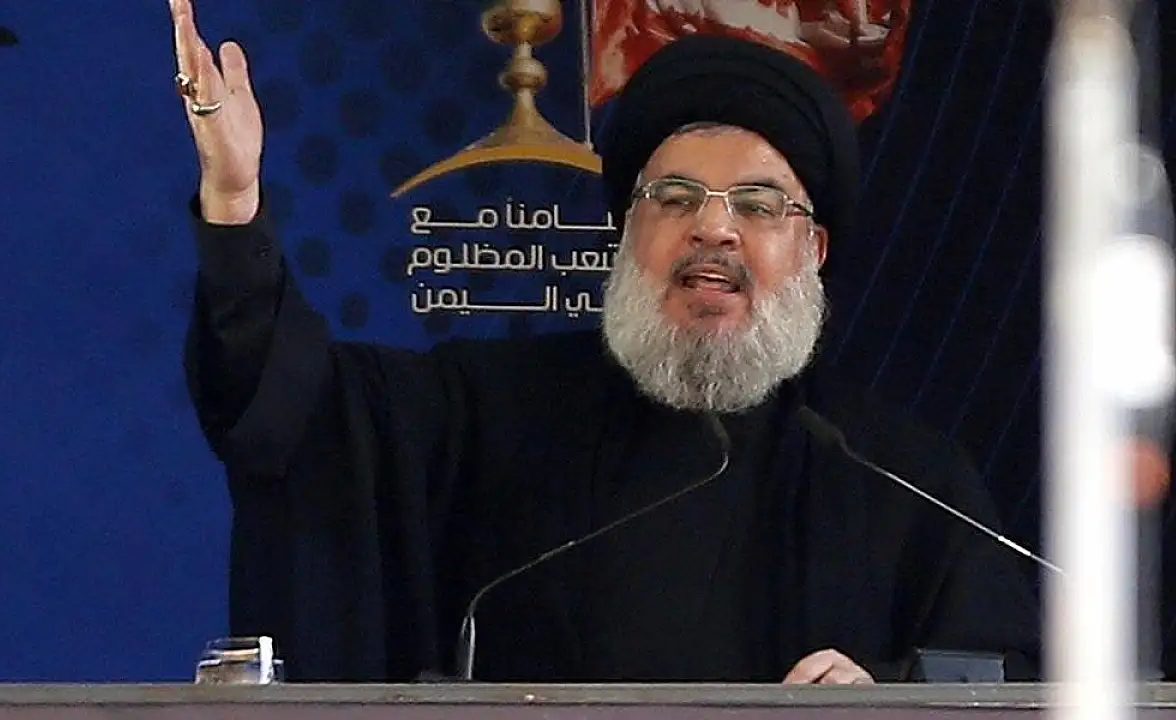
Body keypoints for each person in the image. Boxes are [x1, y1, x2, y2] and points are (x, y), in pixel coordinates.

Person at [169, 0, 1041, 684]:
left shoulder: (904, 481)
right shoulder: (485, 415)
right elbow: (291, 409)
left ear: (812, 249)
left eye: (758, 204)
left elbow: (1011, 680)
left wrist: (889, 693)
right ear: (627, 234)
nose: (714, 229)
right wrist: (236, 209)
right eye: (675, 198)